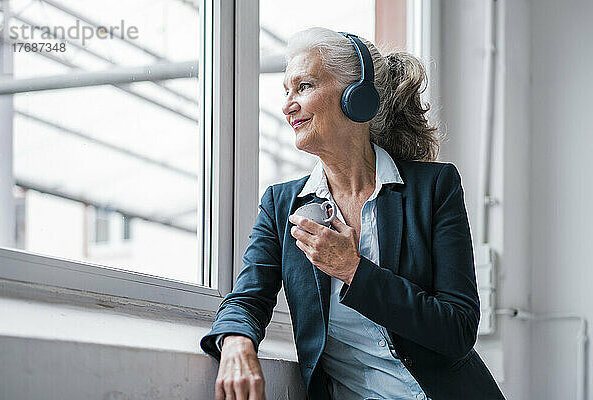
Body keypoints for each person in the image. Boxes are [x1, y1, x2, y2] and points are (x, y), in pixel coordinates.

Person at [201, 27, 505, 400]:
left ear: (357, 97)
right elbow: (247, 298)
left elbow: (457, 330)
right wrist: (235, 343)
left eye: (305, 86)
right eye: (286, 91)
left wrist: (353, 271)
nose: (288, 105)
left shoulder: (435, 188)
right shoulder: (282, 205)